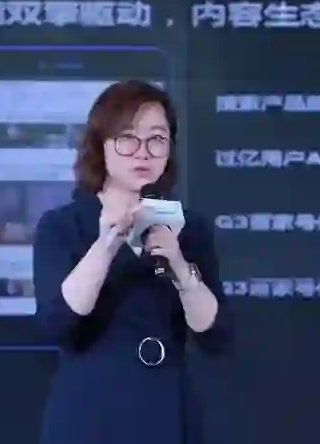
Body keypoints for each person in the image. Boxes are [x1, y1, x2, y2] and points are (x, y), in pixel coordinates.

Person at [33, 80, 234, 444]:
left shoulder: (189, 228)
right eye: (128, 138)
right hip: (90, 414)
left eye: (157, 139)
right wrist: (106, 244)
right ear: (101, 145)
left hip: (168, 412)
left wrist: (180, 267)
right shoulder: (62, 226)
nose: (143, 153)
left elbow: (216, 338)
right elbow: (55, 325)